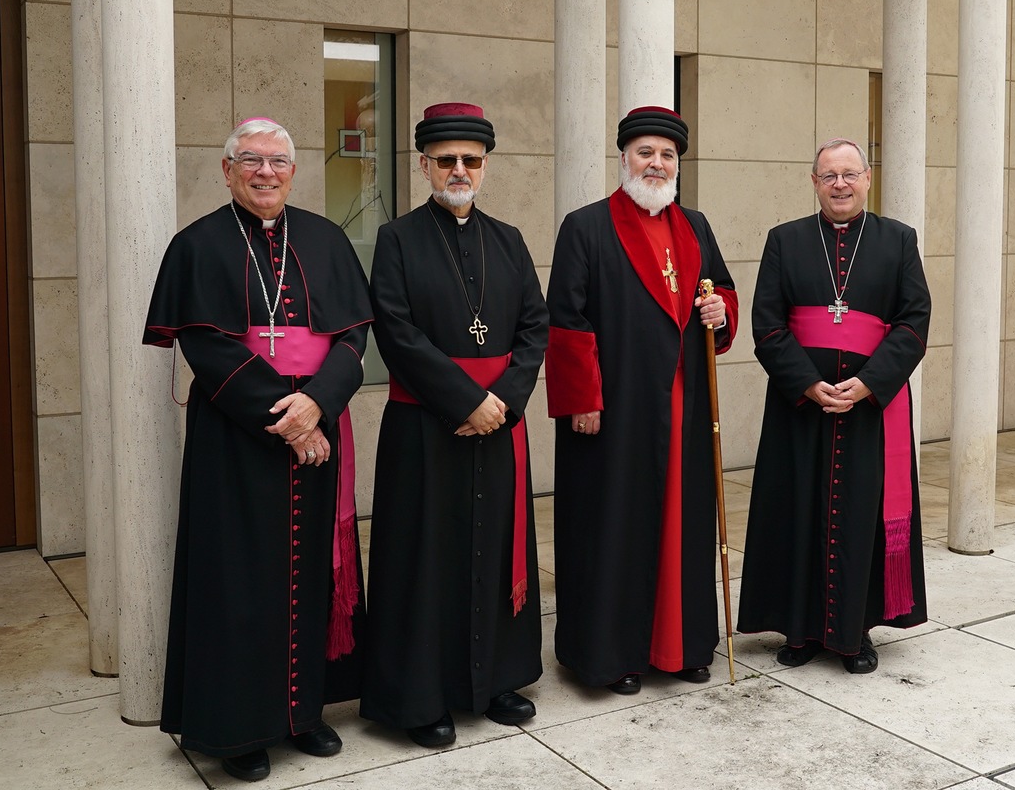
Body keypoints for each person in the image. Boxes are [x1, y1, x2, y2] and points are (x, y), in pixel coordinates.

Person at [143, 118, 372, 782]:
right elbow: (205, 346)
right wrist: (290, 419)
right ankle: (240, 727)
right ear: (226, 169)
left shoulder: (326, 240)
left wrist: (318, 406)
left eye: (278, 161)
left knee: (311, 575)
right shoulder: (198, 245)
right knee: (237, 578)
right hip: (237, 436)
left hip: (319, 429)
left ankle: (303, 715)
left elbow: (355, 339)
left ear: (294, 172)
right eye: (250, 160)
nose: (265, 171)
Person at [360, 103, 548, 747]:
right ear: (424, 166)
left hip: (499, 424)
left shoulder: (511, 240)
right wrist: (465, 400)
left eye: (471, 160)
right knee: (425, 559)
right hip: (426, 427)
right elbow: (395, 330)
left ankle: (493, 680)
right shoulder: (397, 239)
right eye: (446, 161)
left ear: (486, 166)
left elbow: (534, 328)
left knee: (494, 550)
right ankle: (422, 697)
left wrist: (504, 400)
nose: (459, 171)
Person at [545, 106, 739, 694]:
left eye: (668, 156)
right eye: (645, 153)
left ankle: (680, 647)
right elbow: (566, 320)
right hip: (614, 409)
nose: (656, 164)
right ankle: (614, 655)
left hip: (682, 406)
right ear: (624, 158)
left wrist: (719, 311)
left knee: (683, 525)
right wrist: (582, 397)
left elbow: (721, 291)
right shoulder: (586, 226)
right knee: (616, 526)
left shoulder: (696, 225)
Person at [736, 138, 932, 674]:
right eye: (829, 175)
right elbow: (767, 325)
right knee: (797, 511)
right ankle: (799, 630)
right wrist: (806, 383)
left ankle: (854, 633)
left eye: (850, 173)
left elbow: (915, 321)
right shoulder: (785, 240)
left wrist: (869, 383)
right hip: (800, 408)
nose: (840, 184)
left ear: (868, 178)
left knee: (861, 517)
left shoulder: (898, 240)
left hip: (870, 409)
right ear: (814, 182)